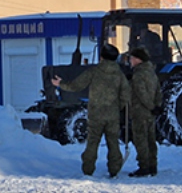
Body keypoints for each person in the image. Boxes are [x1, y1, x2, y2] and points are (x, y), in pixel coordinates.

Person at [51, 43, 130, 178]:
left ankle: (88, 169)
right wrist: (117, 107)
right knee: (113, 142)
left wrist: (61, 84)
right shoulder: (119, 74)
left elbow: (76, 85)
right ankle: (114, 169)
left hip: (96, 113)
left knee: (93, 142)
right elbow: (126, 95)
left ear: (102, 57)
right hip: (112, 114)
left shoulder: (94, 71)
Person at [127, 46, 163, 177]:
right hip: (150, 114)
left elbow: (141, 94)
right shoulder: (152, 73)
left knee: (140, 140)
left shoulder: (138, 75)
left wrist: (150, 106)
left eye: (131, 58)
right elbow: (158, 91)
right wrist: (157, 106)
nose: (130, 61)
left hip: (140, 112)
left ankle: (144, 167)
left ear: (138, 60)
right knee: (151, 139)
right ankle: (153, 165)